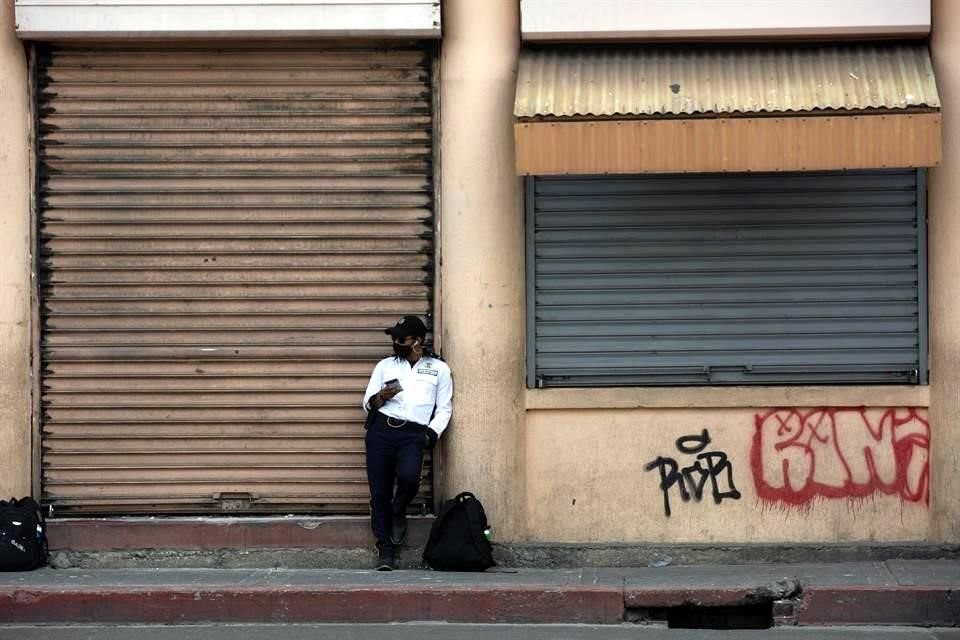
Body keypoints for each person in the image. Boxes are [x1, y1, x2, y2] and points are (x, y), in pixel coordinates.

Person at [362, 315, 452, 571]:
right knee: (379, 492)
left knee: (410, 478)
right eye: (394, 338)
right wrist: (381, 397)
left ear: (418, 341)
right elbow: (366, 403)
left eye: (401, 339)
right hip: (382, 430)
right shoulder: (385, 366)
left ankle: (398, 509)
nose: (396, 343)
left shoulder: (439, 369)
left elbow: (444, 409)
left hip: (413, 434)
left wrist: (429, 435)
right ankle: (385, 551)